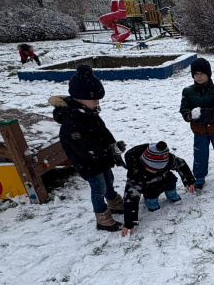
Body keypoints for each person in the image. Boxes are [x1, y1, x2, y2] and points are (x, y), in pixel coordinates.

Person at [48, 63, 127, 232]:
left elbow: (103, 132)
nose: (97, 102)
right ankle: (102, 218)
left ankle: (114, 203)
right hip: (88, 162)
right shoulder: (72, 121)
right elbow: (83, 149)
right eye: (94, 99)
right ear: (79, 98)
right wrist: (107, 151)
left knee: (109, 181)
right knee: (99, 189)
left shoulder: (89, 112)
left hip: (101, 158)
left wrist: (114, 147)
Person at [179, 57, 214, 190]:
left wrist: (213, 112)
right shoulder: (188, 91)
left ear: (208, 74)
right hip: (199, 130)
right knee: (200, 154)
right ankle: (199, 177)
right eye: (196, 74)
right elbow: (184, 109)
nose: (199, 77)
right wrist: (190, 115)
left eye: (202, 74)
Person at [119, 141, 196, 236]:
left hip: (164, 176)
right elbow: (131, 196)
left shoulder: (168, 158)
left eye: (159, 169)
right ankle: (150, 200)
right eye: (152, 169)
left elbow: (181, 164)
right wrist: (129, 222)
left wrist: (189, 180)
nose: (155, 172)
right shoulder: (135, 170)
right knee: (153, 189)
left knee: (171, 180)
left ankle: (171, 193)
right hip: (147, 184)